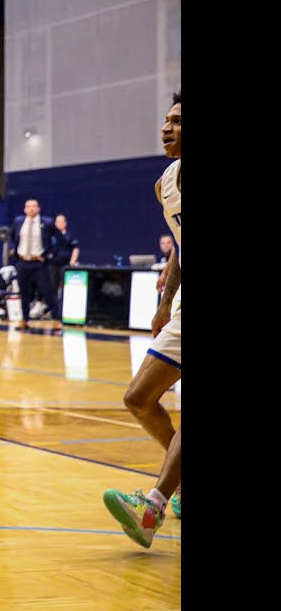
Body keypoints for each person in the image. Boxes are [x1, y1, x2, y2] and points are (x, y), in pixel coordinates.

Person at [103, 90, 182, 547]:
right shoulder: (165, 183)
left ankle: (152, 508)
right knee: (139, 398)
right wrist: (164, 302)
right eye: (166, 119)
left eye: (177, 121)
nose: (166, 127)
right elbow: (180, 249)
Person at [11, 198, 65, 329]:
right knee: (23, 292)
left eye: (34, 206)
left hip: (39, 264)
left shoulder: (46, 222)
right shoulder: (18, 221)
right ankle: (25, 320)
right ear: (24, 209)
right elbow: (13, 237)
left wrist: (49, 255)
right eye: (28, 206)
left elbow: (61, 239)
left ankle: (58, 320)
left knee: (48, 292)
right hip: (23, 262)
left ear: (38, 208)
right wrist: (16, 254)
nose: (31, 209)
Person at [49, 213, 80, 298]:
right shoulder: (50, 236)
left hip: (65, 265)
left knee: (65, 286)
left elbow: (76, 248)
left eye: (61, 221)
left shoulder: (69, 235)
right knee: (52, 285)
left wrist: (72, 261)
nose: (59, 223)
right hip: (53, 264)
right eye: (57, 221)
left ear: (65, 223)